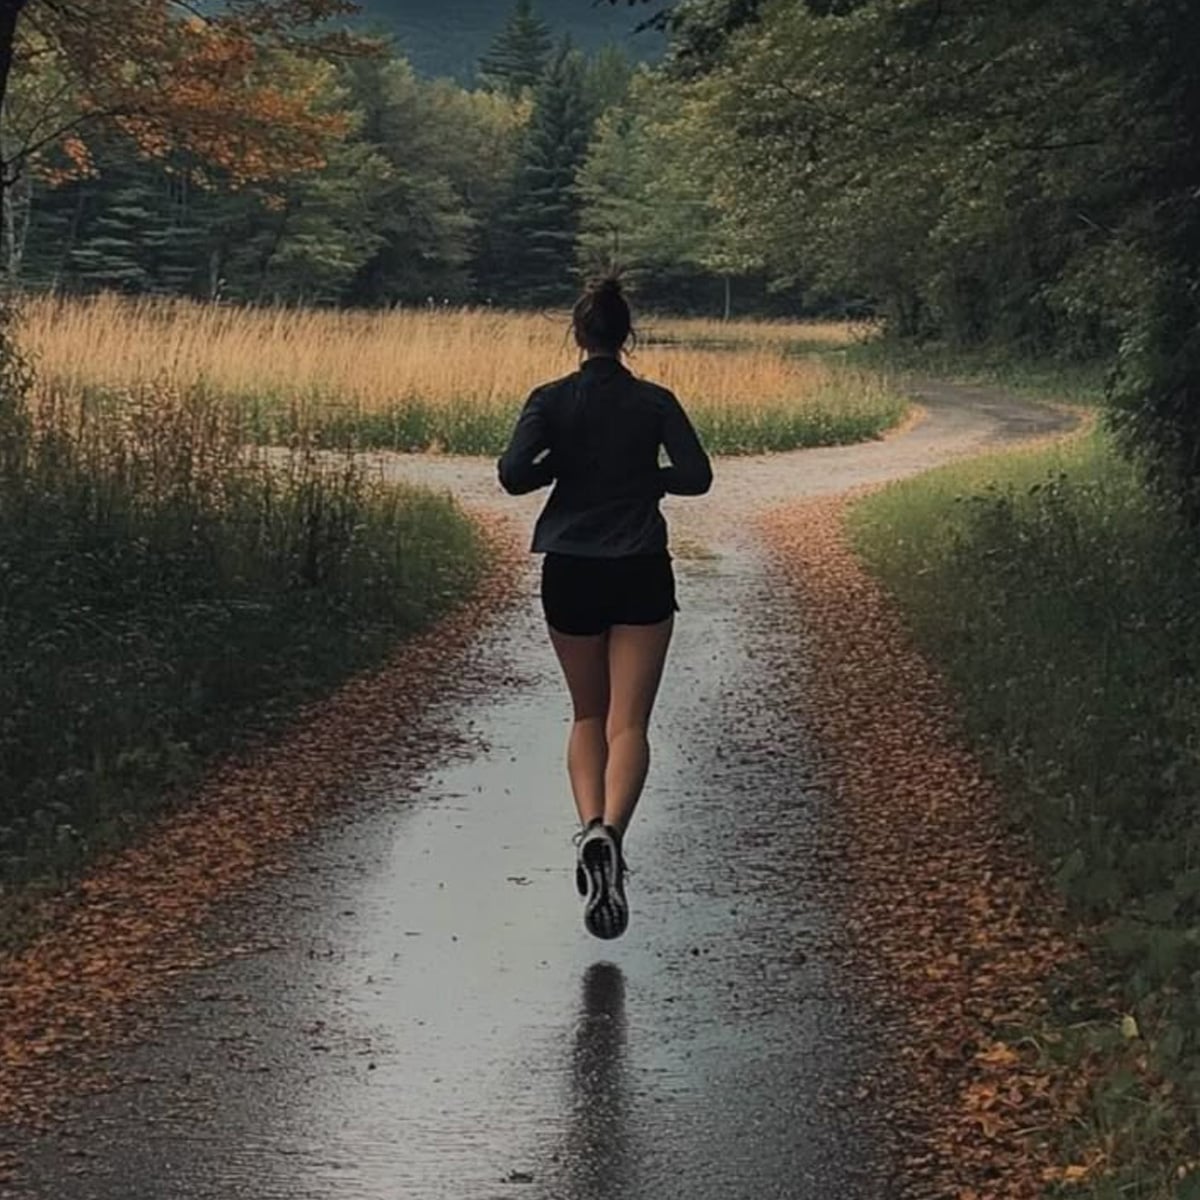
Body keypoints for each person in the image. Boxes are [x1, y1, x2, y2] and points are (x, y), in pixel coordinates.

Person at [497, 277, 713, 940]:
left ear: (578, 333)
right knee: (629, 724)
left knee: (587, 713)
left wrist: (559, 463)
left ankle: (591, 825)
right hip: (640, 565)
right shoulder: (654, 401)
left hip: (570, 567)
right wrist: (649, 478)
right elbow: (698, 477)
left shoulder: (550, 400)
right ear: (627, 336)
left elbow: (511, 474)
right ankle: (614, 833)